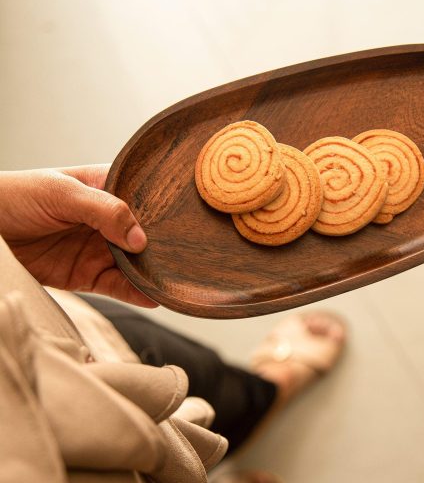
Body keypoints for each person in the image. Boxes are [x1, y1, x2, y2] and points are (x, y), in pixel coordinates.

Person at [0, 165, 346, 483]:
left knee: (209, 377)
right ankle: (270, 390)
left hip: (37, 314)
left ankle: (269, 390)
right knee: (188, 409)